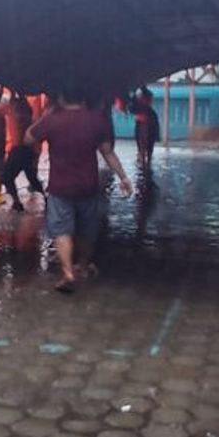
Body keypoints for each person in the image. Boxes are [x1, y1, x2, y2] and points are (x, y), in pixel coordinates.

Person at [26, 88, 132, 293]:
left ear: (62, 97)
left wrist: (44, 117)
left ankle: (67, 273)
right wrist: (123, 177)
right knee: (87, 229)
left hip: (60, 186)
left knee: (61, 230)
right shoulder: (96, 120)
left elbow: (27, 139)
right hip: (88, 186)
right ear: (83, 98)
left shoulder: (52, 120)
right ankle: (82, 266)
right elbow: (108, 152)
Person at [0, 93, 46, 211]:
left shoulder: (10, 107)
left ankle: (17, 202)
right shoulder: (25, 109)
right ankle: (46, 198)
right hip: (28, 149)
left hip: (18, 149)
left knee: (6, 177)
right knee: (31, 177)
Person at [125, 87, 160, 169]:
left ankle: (144, 162)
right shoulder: (141, 99)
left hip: (144, 123)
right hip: (144, 122)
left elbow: (131, 108)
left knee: (144, 148)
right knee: (147, 148)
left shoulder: (138, 98)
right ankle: (146, 163)